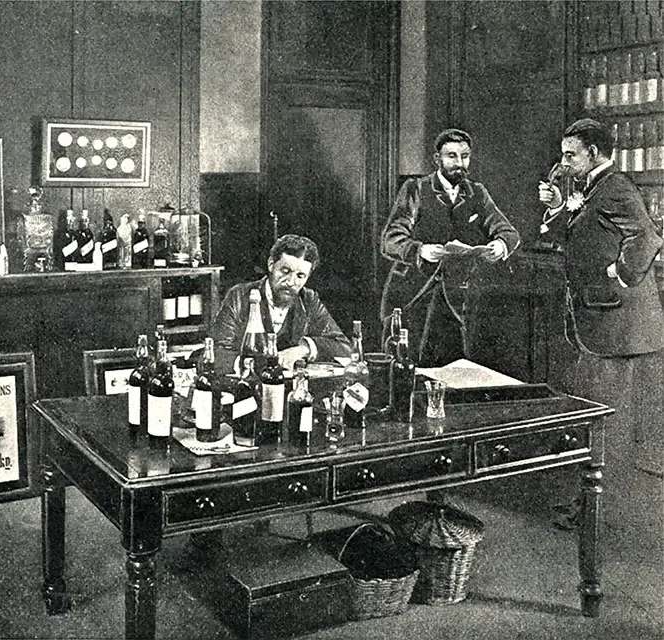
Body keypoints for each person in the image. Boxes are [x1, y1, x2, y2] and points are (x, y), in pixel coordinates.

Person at [538, 118, 664, 529]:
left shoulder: (616, 188)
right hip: (597, 322)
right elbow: (572, 236)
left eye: (570, 155)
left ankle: (597, 510)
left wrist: (619, 273)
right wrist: (558, 206)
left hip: (615, 325)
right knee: (595, 414)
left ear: (593, 153)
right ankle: (589, 505)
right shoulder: (592, 187)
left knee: (604, 419)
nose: (563, 162)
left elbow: (648, 237)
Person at [380, 128, 521, 367]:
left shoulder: (477, 192)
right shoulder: (416, 188)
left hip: (456, 297)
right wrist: (421, 250)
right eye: (452, 156)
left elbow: (509, 232)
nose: (459, 163)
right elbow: (390, 240)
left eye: (465, 156)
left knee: (452, 366)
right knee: (407, 364)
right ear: (437, 159)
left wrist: (500, 245)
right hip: (414, 293)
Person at [211, 234, 351, 370]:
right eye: (285, 271)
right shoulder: (239, 296)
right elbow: (216, 351)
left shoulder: (308, 299)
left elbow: (344, 348)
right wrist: (256, 365)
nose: (291, 282)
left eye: (300, 276)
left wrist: (304, 349)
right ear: (271, 264)